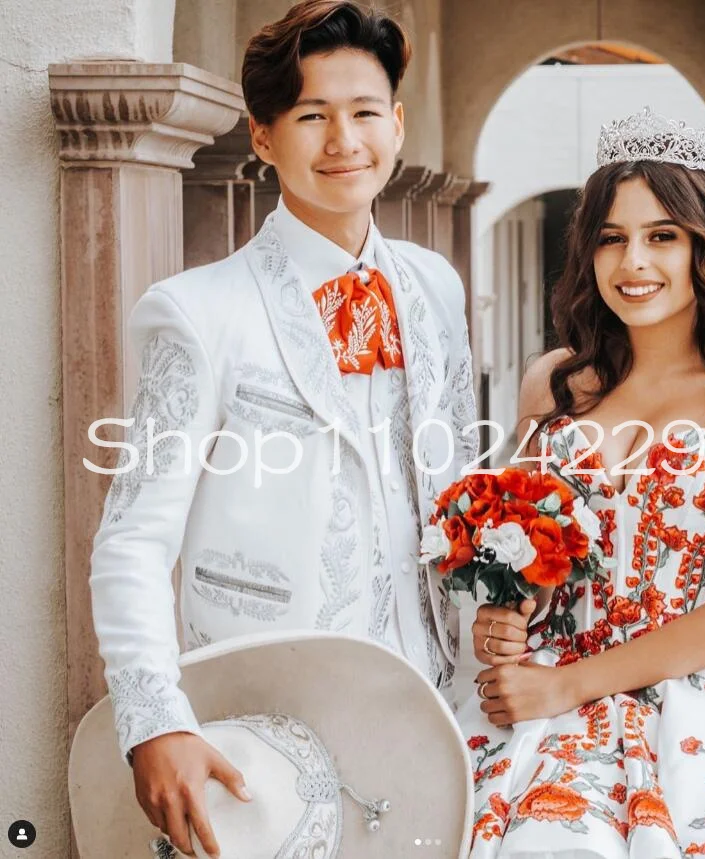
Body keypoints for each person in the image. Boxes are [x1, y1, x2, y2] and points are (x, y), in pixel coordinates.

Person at [88, 2, 476, 855]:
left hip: (446, 703)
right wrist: (155, 721)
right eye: (312, 115)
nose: (344, 139)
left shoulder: (435, 289)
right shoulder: (195, 312)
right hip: (270, 710)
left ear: (397, 125)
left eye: (365, 112)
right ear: (263, 137)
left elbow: (463, 492)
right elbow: (132, 539)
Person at [457, 107, 705, 857]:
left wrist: (569, 688)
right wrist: (505, 617)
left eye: (661, 236)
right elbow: (534, 561)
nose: (632, 262)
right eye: (612, 238)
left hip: (691, 682)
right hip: (543, 677)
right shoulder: (556, 382)